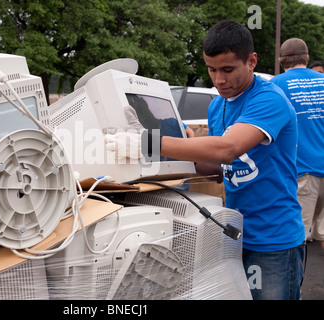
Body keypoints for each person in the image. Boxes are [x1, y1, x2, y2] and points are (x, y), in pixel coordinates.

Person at [105, 20, 305, 300]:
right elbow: (215, 166)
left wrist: (145, 142)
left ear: (251, 61)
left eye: (228, 69)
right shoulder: (217, 105)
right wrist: (186, 146)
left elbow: (228, 149)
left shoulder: (269, 100)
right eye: (211, 70)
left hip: (273, 241)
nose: (219, 80)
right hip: (235, 233)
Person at [270, 38, 324, 251]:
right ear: (307, 58)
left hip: (301, 172)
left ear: (281, 60)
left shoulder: (275, 85)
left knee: (296, 237)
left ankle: (295, 285)